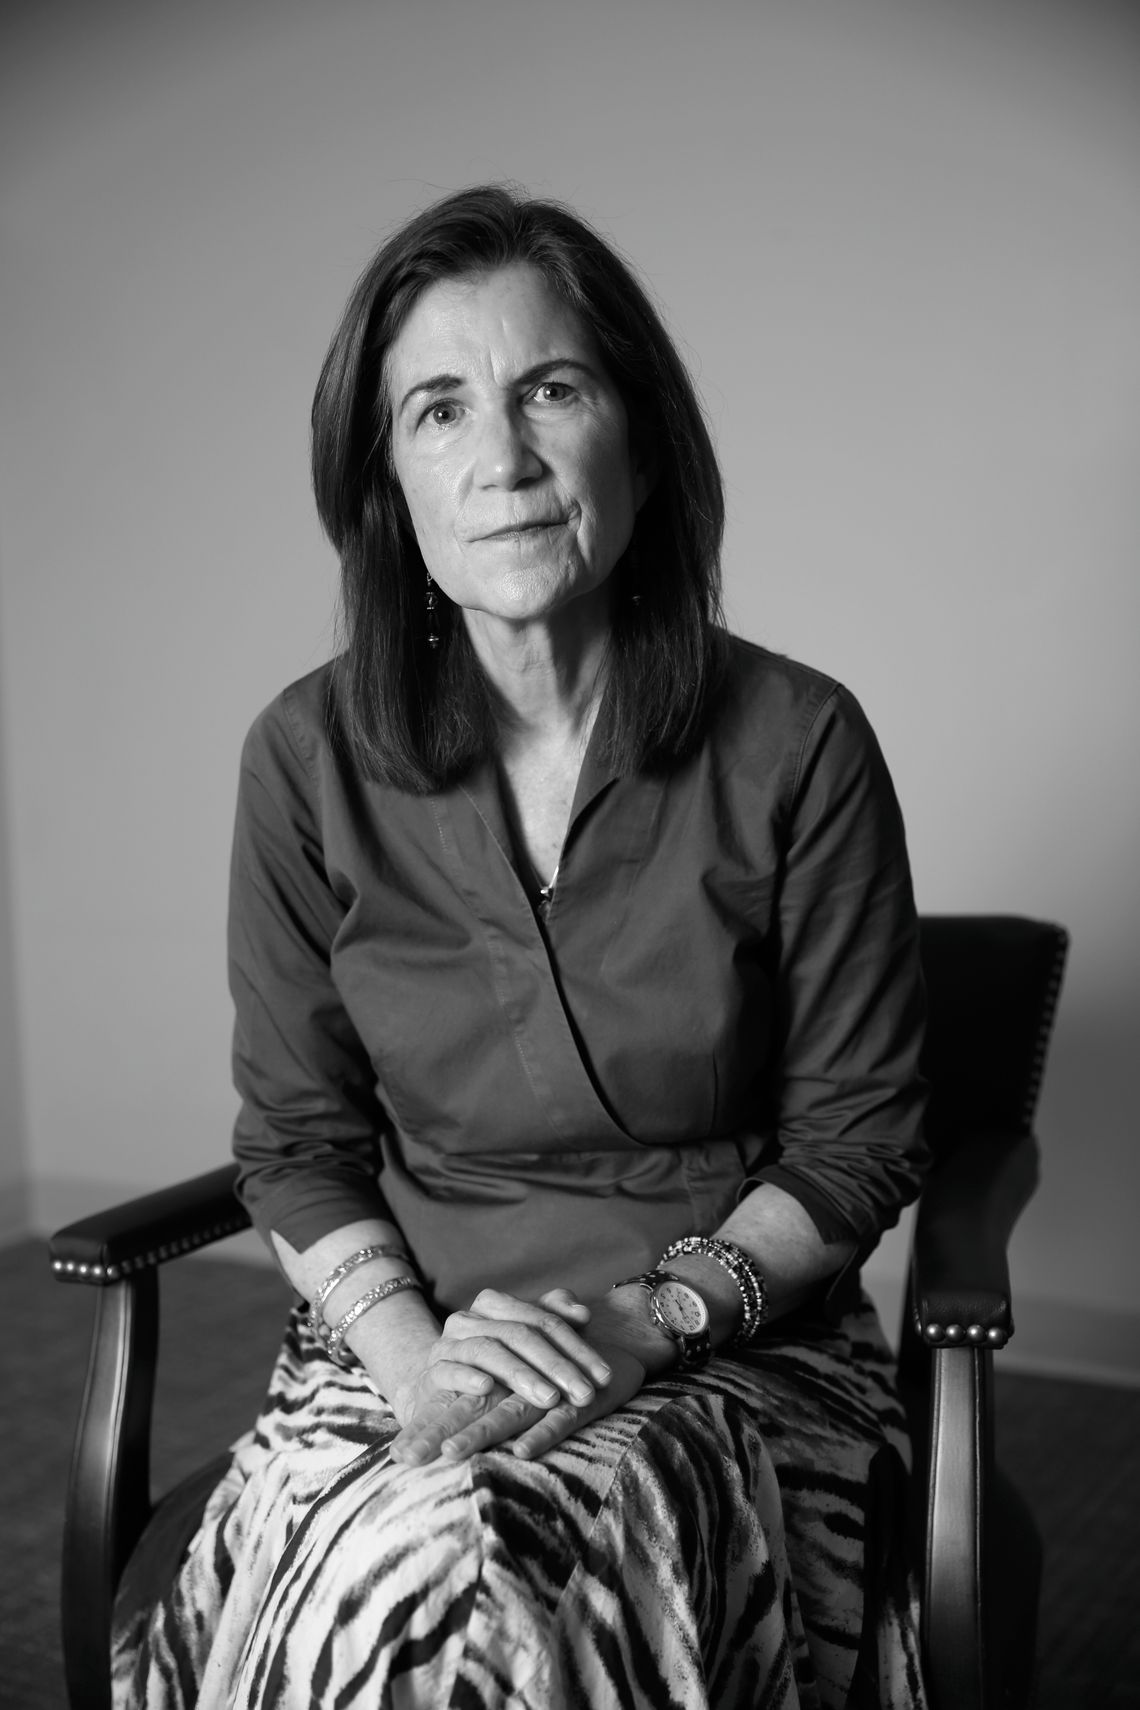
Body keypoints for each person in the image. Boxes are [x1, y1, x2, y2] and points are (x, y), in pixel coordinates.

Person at [116, 184, 930, 1709]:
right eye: (438, 409)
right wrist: (422, 1365)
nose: (502, 459)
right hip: (404, 1344)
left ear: (639, 434)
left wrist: (646, 1320)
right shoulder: (300, 757)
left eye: (550, 389)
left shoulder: (803, 740)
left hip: (730, 1342)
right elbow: (295, 1141)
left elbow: (857, 1144)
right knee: (413, 1566)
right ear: (387, 487)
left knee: (519, 1575)